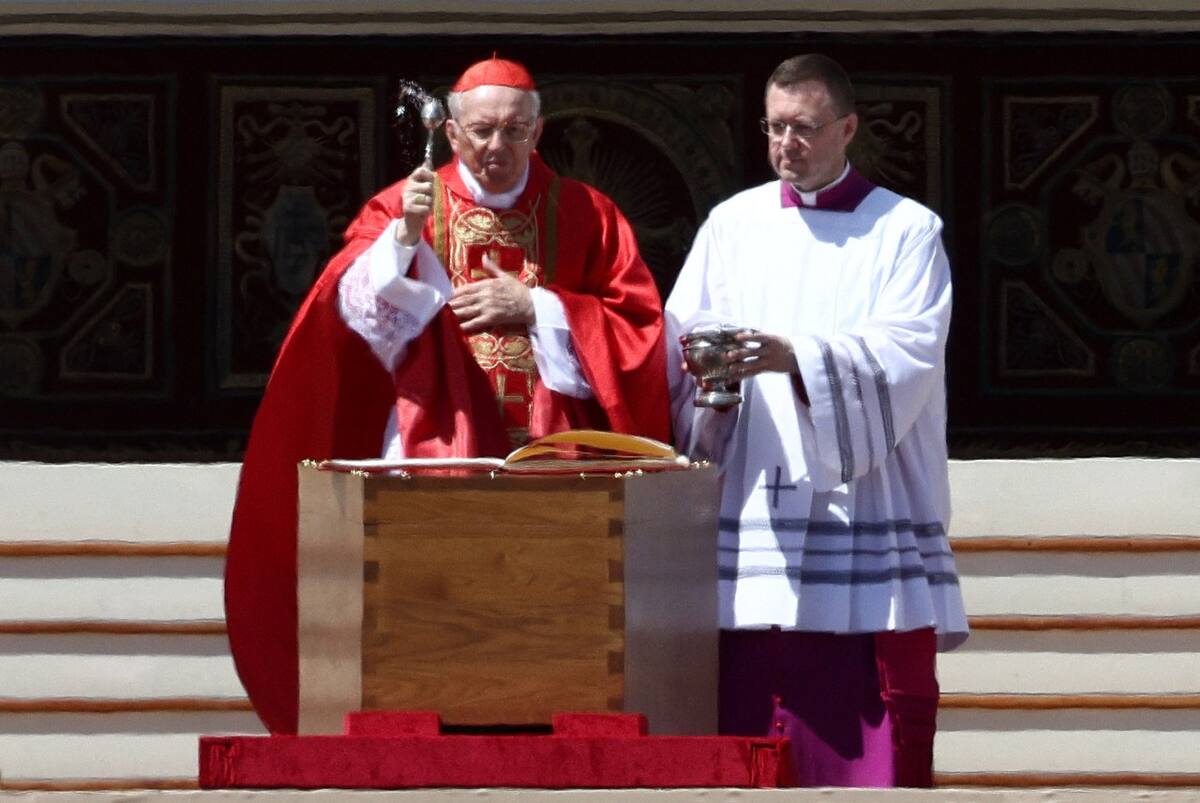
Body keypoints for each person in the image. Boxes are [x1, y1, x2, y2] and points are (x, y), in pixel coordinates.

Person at [225, 55, 671, 734]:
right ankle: (430, 716)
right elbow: (349, 313)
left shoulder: (588, 214)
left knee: (549, 606)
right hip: (435, 440)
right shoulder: (406, 204)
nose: (498, 147)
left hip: (556, 458)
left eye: (515, 131)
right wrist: (403, 239)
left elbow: (640, 331)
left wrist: (541, 307)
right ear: (454, 134)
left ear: (538, 129)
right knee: (433, 607)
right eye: (483, 131)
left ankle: (545, 720)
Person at [665, 54, 968, 788]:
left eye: (803, 127)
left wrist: (795, 358)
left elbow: (909, 353)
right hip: (754, 483)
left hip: (864, 492)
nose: (785, 144)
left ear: (848, 128)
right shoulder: (732, 223)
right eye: (774, 127)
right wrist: (713, 376)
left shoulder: (905, 230)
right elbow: (683, 330)